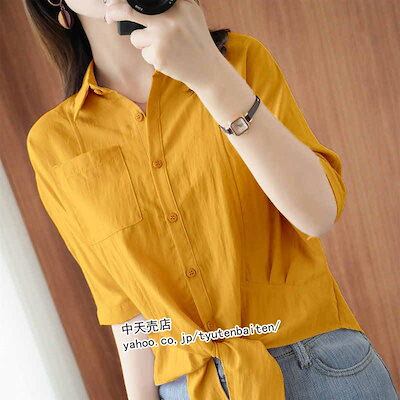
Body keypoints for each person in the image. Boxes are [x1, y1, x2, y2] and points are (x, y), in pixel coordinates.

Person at [24, 0, 398, 399]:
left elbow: (317, 214)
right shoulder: (54, 143)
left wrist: (207, 73)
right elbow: (126, 308)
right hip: (190, 387)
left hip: (317, 365)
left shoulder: (238, 61)